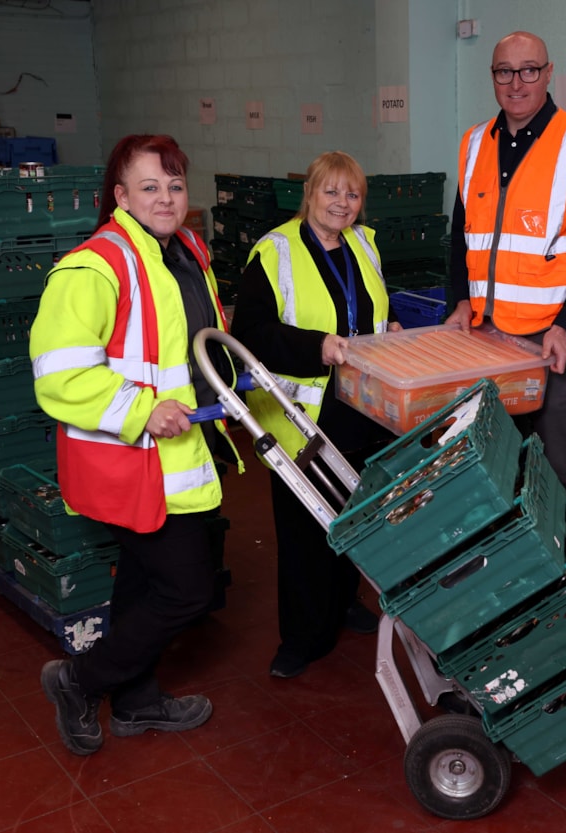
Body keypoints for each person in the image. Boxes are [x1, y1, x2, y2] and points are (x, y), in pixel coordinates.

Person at [31, 134, 240, 756]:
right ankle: (79, 680)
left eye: (175, 185)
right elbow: (60, 373)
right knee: (187, 591)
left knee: (146, 584)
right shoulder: (97, 265)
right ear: (120, 195)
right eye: (150, 186)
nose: (166, 197)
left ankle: (136, 701)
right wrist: (143, 412)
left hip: (186, 454)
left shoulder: (185, 253)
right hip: (136, 462)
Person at [232, 150, 400, 680]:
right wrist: (316, 346)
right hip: (302, 413)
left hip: (361, 403)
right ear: (309, 194)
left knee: (353, 507)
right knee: (305, 523)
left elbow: (370, 309)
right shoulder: (274, 251)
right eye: (331, 192)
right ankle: (302, 635)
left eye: (352, 195)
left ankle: (344, 600)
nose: (342, 203)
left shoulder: (364, 244)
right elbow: (251, 334)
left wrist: (386, 329)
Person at [446, 30, 566, 507]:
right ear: (493, 77)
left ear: (548, 73)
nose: (516, 83)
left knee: (563, 472)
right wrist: (460, 299)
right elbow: (460, 237)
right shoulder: (474, 143)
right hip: (486, 340)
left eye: (528, 70)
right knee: (493, 467)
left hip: (553, 344)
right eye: (504, 71)